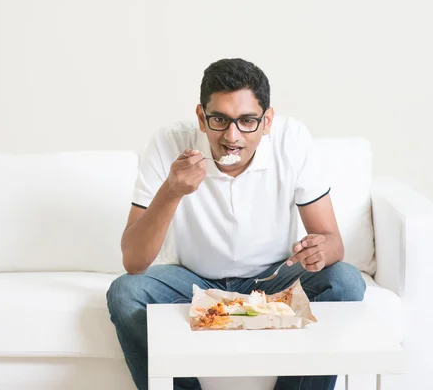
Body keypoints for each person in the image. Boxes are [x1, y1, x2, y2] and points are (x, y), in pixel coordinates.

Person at [106, 58, 366, 390]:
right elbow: (134, 261)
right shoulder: (169, 144)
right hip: (192, 282)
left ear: (267, 120)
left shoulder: (292, 140)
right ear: (201, 118)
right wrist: (171, 191)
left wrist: (319, 250)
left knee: (345, 280)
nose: (232, 136)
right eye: (219, 120)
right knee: (125, 293)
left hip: (273, 278)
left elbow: (333, 243)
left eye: (247, 121)